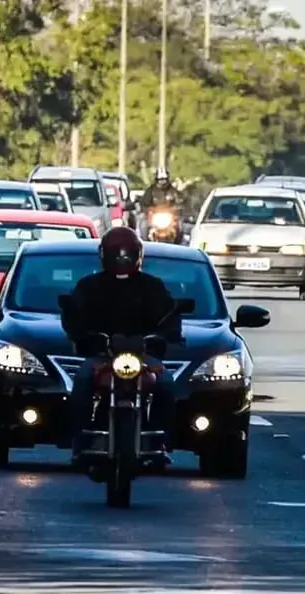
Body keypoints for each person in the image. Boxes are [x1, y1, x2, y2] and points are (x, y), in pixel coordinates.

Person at [60, 227, 183, 461]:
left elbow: (169, 316)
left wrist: (165, 336)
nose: (122, 259)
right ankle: (79, 439)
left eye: (127, 254)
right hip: (103, 356)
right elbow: (73, 317)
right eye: (116, 253)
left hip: (142, 357)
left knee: (165, 383)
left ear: (138, 255)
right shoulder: (89, 287)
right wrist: (87, 337)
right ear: (104, 254)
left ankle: (161, 440)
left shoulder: (152, 286)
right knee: (83, 381)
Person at [135, 167, 182, 241]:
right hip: (154, 216)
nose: (162, 182)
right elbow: (144, 203)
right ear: (156, 180)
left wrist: (178, 208)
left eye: (164, 180)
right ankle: (145, 241)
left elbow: (180, 201)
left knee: (180, 225)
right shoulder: (150, 191)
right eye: (160, 180)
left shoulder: (173, 191)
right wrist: (147, 210)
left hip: (170, 216)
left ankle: (179, 242)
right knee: (143, 223)